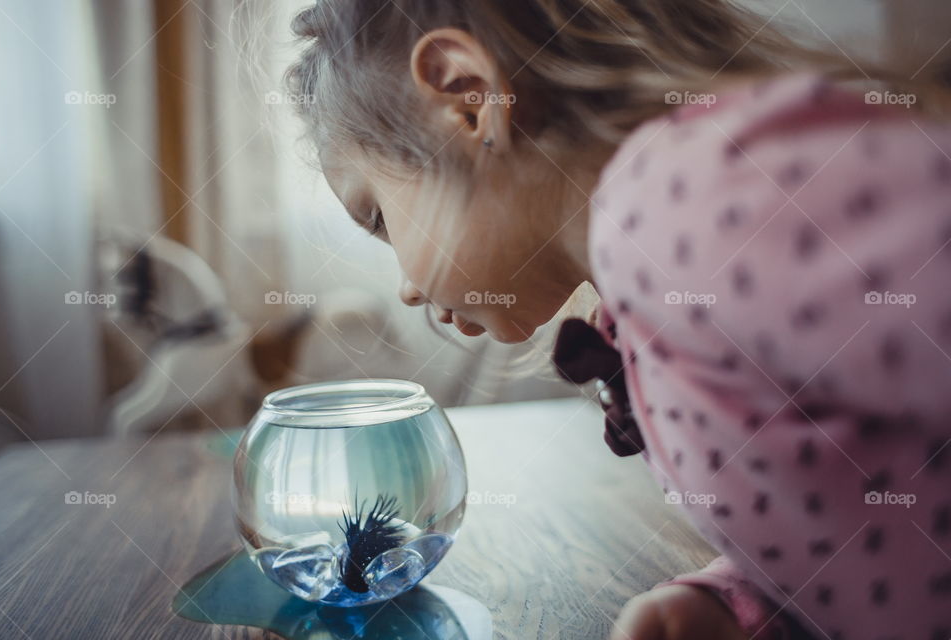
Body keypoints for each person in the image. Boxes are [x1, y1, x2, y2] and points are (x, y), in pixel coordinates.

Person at [285, 2, 951, 638]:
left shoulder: (682, 195)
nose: (404, 287)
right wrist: (741, 604)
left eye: (378, 217)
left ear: (468, 100)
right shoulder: (647, 273)